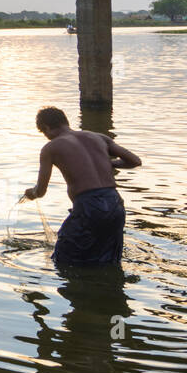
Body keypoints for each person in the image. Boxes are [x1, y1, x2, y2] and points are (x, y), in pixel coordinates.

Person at [22, 106, 142, 267]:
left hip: (89, 206)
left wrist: (32, 193)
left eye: (44, 133)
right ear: (65, 121)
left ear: (46, 128)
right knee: (108, 261)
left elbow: (41, 191)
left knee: (62, 260)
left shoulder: (50, 148)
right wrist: (107, 163)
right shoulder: (98, 137)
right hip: (115, 204)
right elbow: (134, 161)